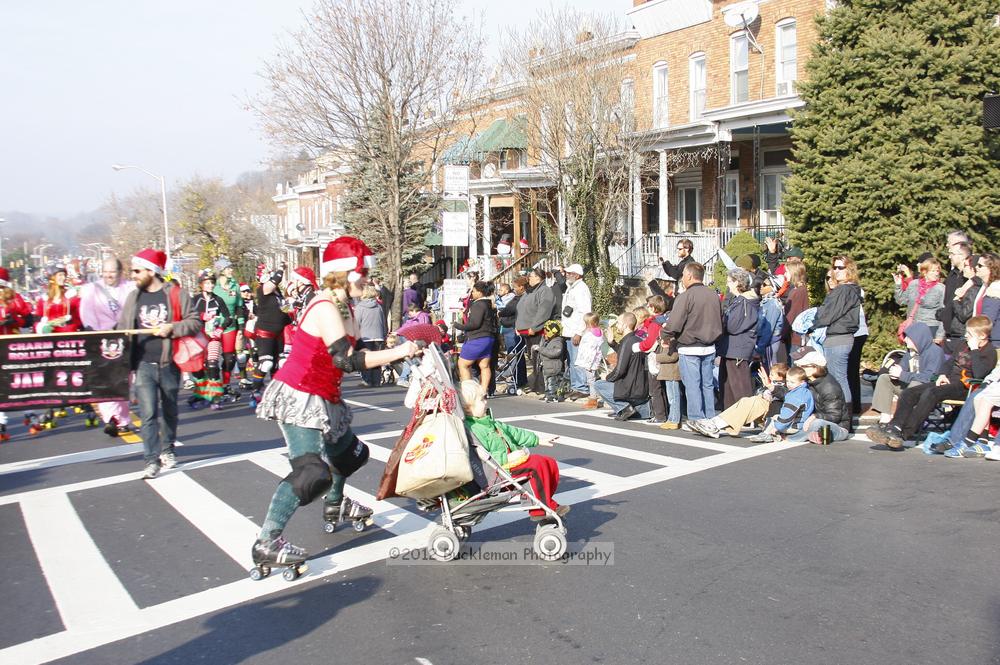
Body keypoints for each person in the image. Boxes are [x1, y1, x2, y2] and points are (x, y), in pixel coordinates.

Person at [252, 236, 421, 571]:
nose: (369, 280)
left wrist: (397, 349)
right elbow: (346, 359)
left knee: (351, 455)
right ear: (346, 273)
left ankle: (335, 504)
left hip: (326, 396)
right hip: (300, 395)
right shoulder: (326, 306)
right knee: (311, 473)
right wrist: (399, 352)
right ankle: (266, 542)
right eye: (364, 273)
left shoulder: (347, 306)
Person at [118, 249, 202, 478]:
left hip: (169, 363)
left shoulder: (175, 293)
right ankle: (150, 459)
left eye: (137, 270)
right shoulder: (133, 297)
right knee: (147, 414)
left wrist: (172, 328)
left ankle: (167, 449)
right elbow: (121, 329)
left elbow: (194, 321)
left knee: (169, 411)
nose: (133, 275)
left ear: (151, 271)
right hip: (143, 364)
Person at [867, 316, 996, 450]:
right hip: (948, 382)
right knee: (909, 393)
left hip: (965, 386)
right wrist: (942, 374)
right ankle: (894, 427)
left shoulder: (989, 352)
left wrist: (974, 350)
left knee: (931, 393)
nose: (966, 336)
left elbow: (980, 373)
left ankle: (904, 434)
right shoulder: (963, 345)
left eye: (969, 334)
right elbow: (949, 363)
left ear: (982, 336)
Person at [460, 380, 569, 521]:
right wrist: (508, 458)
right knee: (537, 466)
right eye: (482, 400)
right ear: (468, 407)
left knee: (549, 463)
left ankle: (545, 502)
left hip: (509, 465)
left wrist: (537, 439)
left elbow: (514, 433)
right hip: (497, 472)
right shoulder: (472, 429)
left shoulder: (488, 421)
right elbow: (480, 459)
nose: (486, 402)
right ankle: (540, 510)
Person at [79, 257, 135, 436]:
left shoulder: (130, 288)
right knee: (105, 379)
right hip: (102, 339)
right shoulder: (92, 289)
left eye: (113, 272)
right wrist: (94, 332)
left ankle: (123, 419)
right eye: (106, 271)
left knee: (124, 380)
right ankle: (111, 418)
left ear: (120, 272)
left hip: (125, 339)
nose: (109, 275)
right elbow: (86, 313)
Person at [660, 262, 723, 423]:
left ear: (689, 276)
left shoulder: (685, 296)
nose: (682, 280)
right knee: (707, 385)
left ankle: (697, 418)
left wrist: (665, 334)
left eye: (683, 277)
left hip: (689, 347)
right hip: (709, 346)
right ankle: (710, 416)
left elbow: (674, 323)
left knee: (693, 385)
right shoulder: (713, 295)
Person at [808, 256, 863, 408]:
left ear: (849, 270)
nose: (836, 271)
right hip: (838, 337)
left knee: (838, 379)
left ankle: (845, 417)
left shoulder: (844, 290)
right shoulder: (849, 289)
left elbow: (828, 314)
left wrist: (812, 324)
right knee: (838, 378)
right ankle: (844, 417)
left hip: (839, 338)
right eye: (835, 267)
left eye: (841, 268)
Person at [869, 322, 943, 424]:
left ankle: (910, 420)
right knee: (884, 379)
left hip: (927, 389)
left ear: (918, 338)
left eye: (908, 337)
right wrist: (894, 373)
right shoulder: (910, 352)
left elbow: (929, 378)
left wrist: (902, 374)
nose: (905, 340)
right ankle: (885, 418)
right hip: (909, 386)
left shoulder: (935, 352)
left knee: (915, 385)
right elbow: (902, 368)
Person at [689, 363, 788, 439]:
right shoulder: (772, 385)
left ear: (781, 377)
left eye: (772, 374)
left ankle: (714, 425)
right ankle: (714, 423)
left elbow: (782, 394)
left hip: (774, 417)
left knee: (754, 401)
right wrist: (765, 388)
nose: (770, 376)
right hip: (765, 414)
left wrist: (769, 387)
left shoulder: (785, 387)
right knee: (746, 400)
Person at [787, 347, 852, 443]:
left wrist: (814, 416)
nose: (798, 369)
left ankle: (790, 438)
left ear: (815, 367)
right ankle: (814, 435)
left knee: (817, 423)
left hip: (839, 427)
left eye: (802, 366)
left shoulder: (829, 387)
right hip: (813, 421)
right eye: (797, 365)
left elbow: (835, 416)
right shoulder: (808, 381)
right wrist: (773, 390)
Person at [594, 312, 650, 421]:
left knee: (599, 384)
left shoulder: (627, 342)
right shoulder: (637, 340)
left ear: (624, 325)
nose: (617, 326)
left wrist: (607, 377)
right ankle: (641, 410)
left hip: (629, 389)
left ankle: (624, 408)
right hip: (641, 389)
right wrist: (612, 342)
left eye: (618, 323)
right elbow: (625, 353)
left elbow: (620, 370)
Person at [717, 267, 760, 409]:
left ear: (737, 283)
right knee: (727, 385)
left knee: (739, 386)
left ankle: (746, 416)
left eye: (729, 281)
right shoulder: (739, 301)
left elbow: (732, 326)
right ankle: (730, 416)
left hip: (738, 349)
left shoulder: (745, 302)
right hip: (730, 349)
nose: (727, 284)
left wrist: (722, 321)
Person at [0, 267, 32, 441]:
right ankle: (2, 422)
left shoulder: (14, 298)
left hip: (12, 346)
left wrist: (15, 321)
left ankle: (29, 413)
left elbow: (28, 318)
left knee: (18, 382)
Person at [746, 366, 814, 443]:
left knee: (773, 420)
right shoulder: (805, 391)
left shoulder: (796, 395)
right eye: (787, 381)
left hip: (796, 426)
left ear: (802, 382)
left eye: (792, 382)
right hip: (801, 422)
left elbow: (787, 415)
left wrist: (777, 427)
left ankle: (768, 434)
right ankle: (772, 433)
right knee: (775, 417)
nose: (789, 384)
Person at [453, 280, 498, 393]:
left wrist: (458, 326)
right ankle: (483, 391)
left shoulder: (478, 304)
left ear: (479, 292)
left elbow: (475, 323)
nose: (472, 294)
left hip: (477, 338)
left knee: (463, 364)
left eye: (473, 291)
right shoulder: (489, 304)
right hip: (489, 338)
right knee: (484, 365)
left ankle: (469, 391)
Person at [515, 268, 555, 394]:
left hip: (536, 331)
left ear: (538, 278)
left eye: (531, 276)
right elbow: (520, 309)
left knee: (539, 360)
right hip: (525, 331)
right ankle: (536, 385)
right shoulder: (529, 292)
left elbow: (543, 311)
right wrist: (518, 326)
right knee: (533, 360)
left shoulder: (545, 291)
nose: (529, 279)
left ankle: (542, 387)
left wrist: (535, 327)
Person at [212, 258, 246, 394]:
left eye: (231, 267)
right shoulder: (213, 287)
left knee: (229, 358)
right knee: (212, 358)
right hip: (213, 326)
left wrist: (241, 328)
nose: (231, 270)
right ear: (221, 271)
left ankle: (225, 384)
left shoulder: (235, 286)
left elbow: (239, 307)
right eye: (228, 268)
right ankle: (211, 385)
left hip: (230, 325)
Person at [560, 264, 592, 399]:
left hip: (576, 331)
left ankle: (582, 387)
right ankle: (575, 386)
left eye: (569, 273)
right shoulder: (572, 288)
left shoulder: (581, 289)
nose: (567, 275)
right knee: (572, 360)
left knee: (577, 360)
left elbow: (585, 312)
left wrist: (579, 331)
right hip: (569, 330)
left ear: (577, 275)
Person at [895, 256, 945, 340]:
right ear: (924, 272)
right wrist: (898, 285)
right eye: (933, 271)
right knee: (911, 353)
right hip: (912, 326)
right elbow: (901, 301)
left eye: (937, 271)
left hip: (930, 327)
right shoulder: (914, 284)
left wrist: (940, 335)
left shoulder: (940, 288)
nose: (936, 273)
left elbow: (944, 312)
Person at [637, 297, 668, 424]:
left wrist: (639, 346)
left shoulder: (654, 323)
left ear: (654, 308)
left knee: (655, 389)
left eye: (649, 306)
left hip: (655, 357)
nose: (647, 308)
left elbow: (650, 342)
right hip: (661, 356)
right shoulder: (663, 320)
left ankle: (659, 415)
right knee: (661, 388)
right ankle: (664, 413)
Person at [938, 242, 974, 346]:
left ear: (962, 256)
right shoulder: (952, 275)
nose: (949, 256)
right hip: (948, 330)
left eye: (952, 254)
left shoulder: (969, 279)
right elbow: (947, 300)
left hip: (962, 332)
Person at [356, 283, 388, 387]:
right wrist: (384, 334)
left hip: (365, 336)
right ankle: (376, 380)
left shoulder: (360, 307)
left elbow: (357, 322)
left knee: (365, 359)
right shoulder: (378, 306)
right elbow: (383, 321)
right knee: (377, 359)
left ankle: (367, 380)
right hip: (378, 335)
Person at [35, 264, 82, 333]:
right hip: (50, 338)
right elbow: (36, 321)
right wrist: (41, 327)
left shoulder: (71, 297)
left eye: (64, 275)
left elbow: (80, 317)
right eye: (60, 275)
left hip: (69, 337)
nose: (63, 278)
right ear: (52, 278)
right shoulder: (43, 300)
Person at [782, 258, 809, 358]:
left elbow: (791, 315)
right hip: (795, 335)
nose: (785, 274)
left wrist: (782, 334)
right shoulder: (800, 290)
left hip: (794, 337)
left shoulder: (797, 292)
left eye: (787, 272)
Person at [576, 312, 604, 410]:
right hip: (594, 360)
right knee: (592, 379)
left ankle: (593, 400)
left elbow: (590, 350)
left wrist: (587, 363)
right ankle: (594, 398)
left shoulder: (590, 335)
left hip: (589, 361)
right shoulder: (598, 332)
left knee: (591, 380)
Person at [536, 320, 565, 402]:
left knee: (553, 382)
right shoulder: (547, 341)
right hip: (547, 367)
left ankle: (554, 395)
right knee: (547, 382)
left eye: (546, 332)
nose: (544, 334)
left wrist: (541, 349)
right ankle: (547, 394)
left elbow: (555, 353)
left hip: (553, 367)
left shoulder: (558, 342)